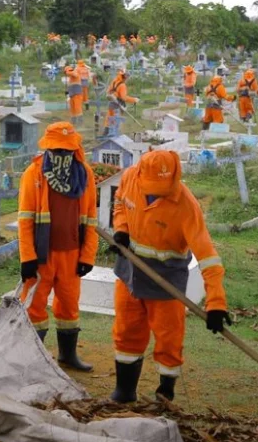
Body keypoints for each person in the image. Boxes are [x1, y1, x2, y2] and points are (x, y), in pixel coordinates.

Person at [108, 150, 230, 403]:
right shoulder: (130, 178)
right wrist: (122, 229)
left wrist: (216, 303)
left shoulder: (186, 206)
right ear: (141, 173)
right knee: (127, 329)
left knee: (168, 337)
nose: (158, 192)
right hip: (130, 269)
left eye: (163, 187)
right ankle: (125, 389)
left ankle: (165, 392)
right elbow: (120, 202)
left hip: (166, 279)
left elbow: (208, 256)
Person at [18, 122, 98, 372]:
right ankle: (32, 359)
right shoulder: (34, 173)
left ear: (75, 149)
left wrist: (88, 255)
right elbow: (25, 218)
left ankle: (67, 356)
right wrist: (27, 258)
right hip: (42, 255)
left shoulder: (84, 173)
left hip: (72, 254)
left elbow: (91, 218)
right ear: (48, 148)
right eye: (57, 150)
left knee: (69, 305)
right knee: (34, 306)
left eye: (66, 150)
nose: (62, 155)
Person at [106, 70, 138, 135]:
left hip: (111, 104)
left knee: (109, 121)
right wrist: (134, 100)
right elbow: (124, 98)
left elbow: (108, 91)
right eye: (128, 76)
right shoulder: (122, 85)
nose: (128, 78)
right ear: (125, 76)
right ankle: (115, 137)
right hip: (118, 105)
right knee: (117, 122)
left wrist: (115, 95)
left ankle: (106, 134)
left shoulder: (114, 81)